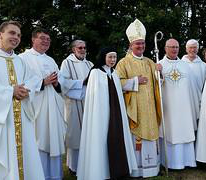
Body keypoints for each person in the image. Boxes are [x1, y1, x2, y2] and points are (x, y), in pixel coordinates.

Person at [0, 20, 45, 180]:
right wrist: (10, 91)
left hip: (20, 120)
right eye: (11, 33)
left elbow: (33, 80)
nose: (16, 37)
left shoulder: (20, 61)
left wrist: (27, 91)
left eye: (18, 35)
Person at [77, 47, 137, 180]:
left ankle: (120, 170)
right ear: (104, 57)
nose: (112, 60)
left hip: (116, 113)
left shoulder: (114, 73)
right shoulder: (95, 73)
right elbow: (93, 97)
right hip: (100, 115)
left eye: (115, 57)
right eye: (110, 57)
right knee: (101, 139)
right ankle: (101, 172)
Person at [116, 19, 162, 178]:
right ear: (130, 45)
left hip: (150, 108)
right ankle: (137, 169)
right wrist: (135, 81)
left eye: (142, 43)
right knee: (137, 137)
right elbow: (117, 83)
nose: (141, 46)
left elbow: (159, 84)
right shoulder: (123, 63)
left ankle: (152, 168)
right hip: (134, 108)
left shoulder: (150, 62)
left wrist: (159, 74)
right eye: (137, 44)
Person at [19, 28, 66, 180]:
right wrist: (42, 83)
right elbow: (21, 83)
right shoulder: (22, 58)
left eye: (48, 39)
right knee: (37, 140)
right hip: (35, 108)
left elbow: (60, 84)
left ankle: (54, 176)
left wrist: (56, 83)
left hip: (53, 106)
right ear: (33, 40)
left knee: (54, 140)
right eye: (42, 38)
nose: (46, 41)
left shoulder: (50, 60)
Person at [158, 38, 197, 169]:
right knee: (170, 131)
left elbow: (191, 87)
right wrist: (157, 74)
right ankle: (169, 162)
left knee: (184, 130)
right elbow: (155, 86)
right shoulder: (159, 64)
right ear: (165, 48)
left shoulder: (185, 65)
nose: (174, 49)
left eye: (176, 47)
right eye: (171, 47)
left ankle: (186, 161)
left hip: (184, 106)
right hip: (169, 106)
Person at [59, 40, 93, 175]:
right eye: (80, 47)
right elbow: (63, 82)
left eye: (84, 47)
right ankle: (73, 166)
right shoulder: (67, 63)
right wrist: (81, 83)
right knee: (75, 134)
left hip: (88, 102)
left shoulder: (90, 64)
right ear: (73, 49)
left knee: (87, 133)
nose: (83, 49)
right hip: (73, 103)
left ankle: (87, 163)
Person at [181, 39, 206, 130]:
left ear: (198, 49)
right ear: (186, 49)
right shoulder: (180, 64)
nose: (192, 50)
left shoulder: (203, 66)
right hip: (184, 100)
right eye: (190, 48)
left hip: (199, 100)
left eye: (194, 48)